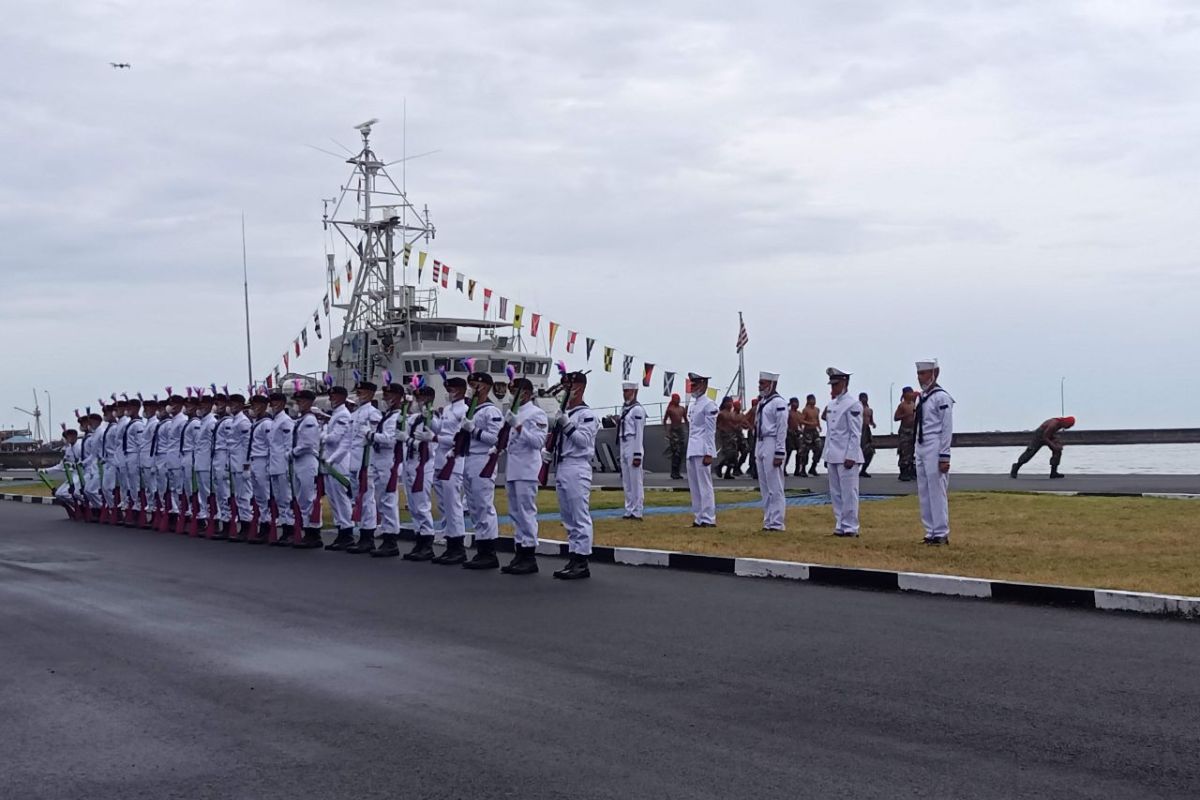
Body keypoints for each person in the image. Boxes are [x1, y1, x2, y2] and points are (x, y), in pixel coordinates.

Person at [550, 371, 598, 579]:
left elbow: (582, 441)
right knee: (567, 516)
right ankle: (573, 555)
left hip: (577, 466)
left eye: (568, 386)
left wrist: (566, 424)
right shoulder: (568, 413)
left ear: (579, 387)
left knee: (579, 515)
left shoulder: (587, 415)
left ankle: (582, 560)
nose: (564, 391)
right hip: (562, 465)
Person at [502, 377, 547, 575]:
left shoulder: (537, 413)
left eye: (516, 393)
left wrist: (519, 426)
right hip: (514, 468)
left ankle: (529, 554)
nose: (513, 396)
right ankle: (519, 551)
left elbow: (537, 442)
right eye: (512, 393)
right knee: (515, 512)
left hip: (527, 469)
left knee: (526, 512)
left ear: (527, 394)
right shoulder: (515, 412)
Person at [461, 371, 504, 570]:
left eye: (474, 385)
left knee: (484, 505)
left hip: (483, 459)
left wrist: (474, 430)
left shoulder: (491, 412)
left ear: (484, 387)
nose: (470, 388)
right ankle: (481, 547)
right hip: (469, 458)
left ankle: (489, 551)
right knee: (474, 507)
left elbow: (496, 439)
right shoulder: (472, 410)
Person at [914, 359, 954, 545]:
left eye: (923, 373)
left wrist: (944, 455)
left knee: (937, 490)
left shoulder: (941, 397)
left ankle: (941, 531)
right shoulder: (921, 397)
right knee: (924, 490)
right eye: (919, 374)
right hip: (921, 445)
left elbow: (946, 428)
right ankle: (930, 530)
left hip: (935, 444)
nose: (920, 377)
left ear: (934, 373)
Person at [431, 377, 468, 564]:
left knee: (453, 505)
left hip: (454, 461)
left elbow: (457, 439)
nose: (449, 391)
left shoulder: (464, 410)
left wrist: (435, 438)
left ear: (461, 390)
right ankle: (449, 542)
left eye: (451, 388)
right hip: (440, 460)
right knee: (444, 505)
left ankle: (457, 546)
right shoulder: (447, 409)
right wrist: (430, 419)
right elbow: (441, 429)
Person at [367, 384, 406, 557]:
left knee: (388, 501)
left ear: (398, 397)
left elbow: (390, 440)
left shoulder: (398, 417)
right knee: (382, 500)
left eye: (388, 395)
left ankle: (391, 539)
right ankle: (387, 534)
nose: (384, 399)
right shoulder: (388, 416)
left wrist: (370, 435)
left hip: (389, 461)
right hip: (379, 460)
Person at [823, 368, 864, 537]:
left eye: (836, 384)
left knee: (849, 493)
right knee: (836, 493)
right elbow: (830, 432)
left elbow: (855, 433)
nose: (833, 388)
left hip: (846, 455)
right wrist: (826, 454)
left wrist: (851, 455)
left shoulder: (853, 404)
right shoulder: (832, 405)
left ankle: (851, 526)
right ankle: (840, 524)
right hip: (833, 454)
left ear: (845, 383)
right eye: (832, 385)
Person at [401, 385, 439, 561]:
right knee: (413, 504)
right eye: (418, 398)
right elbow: (403, 430)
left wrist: (409, 440)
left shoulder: (434, 418)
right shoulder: (414, 418)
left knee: (422, 504)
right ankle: (418, 538)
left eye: (422, 398)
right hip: (410, 462)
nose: (419, 401)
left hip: (424, 463)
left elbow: (431, 445)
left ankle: (427, 542)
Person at [347, 381, 382, 553]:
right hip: (354, 462)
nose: (358, 395)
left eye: (361, 392)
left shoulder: (373, 413)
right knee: (357, 500)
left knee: (367, 499)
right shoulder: (356, 413)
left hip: (366, 462)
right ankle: (362, 532)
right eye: (358, 392)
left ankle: (368, 535)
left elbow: (375, 439)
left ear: (370, 394)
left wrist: (369, 433)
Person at [322, 386, 357, 550]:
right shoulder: (336, 414)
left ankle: (347, 531)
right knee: (333, 499)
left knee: (341, 500)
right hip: (330, 463)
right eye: (331, 396)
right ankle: (341, 530)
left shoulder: (343, 414)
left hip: (339, 463)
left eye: (335, 396)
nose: (331, 399)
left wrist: (321, 435)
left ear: (343, 397)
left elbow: (336, 439)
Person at [291, 389, 325, 548]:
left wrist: (292, 452)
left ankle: (314, 532)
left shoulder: (309, 420)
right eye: (298, 402)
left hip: (307, 459)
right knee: (302, 498)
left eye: (301, 401)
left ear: (310, 402)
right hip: (299, 461)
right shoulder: (302, 420)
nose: (298, 404)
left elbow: (307, 444)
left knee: (309, 497)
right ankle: (307, 529)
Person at [754, 372, 788, 531]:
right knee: (765, 486)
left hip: (772, 441)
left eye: (763, 383)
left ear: (772, 384)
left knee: (775, 485)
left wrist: (779, 451)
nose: (760, 386)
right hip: (760, 442)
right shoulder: (763, 402)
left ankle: (777, 522)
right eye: (760, 383)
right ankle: (768, 520)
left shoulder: (779, 403)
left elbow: (782, 428)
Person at [685, 373, 718, 527]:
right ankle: (698, 517)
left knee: (705, 485)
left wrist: (709, 452)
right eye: (692, 384)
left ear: (704, 384)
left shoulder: (709, 405)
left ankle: (708, 518)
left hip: (702, 449)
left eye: (696, 384)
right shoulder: (693, 405)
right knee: (695, 486)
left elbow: (710, 431)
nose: (693, 387)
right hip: (692, 449)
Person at [265, 391, 297, 546]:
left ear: (283, 404)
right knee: (279, 499)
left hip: (283, 465)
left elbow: (289, 444)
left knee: (286, 498)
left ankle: (290, 530)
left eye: (276, 402)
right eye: (272, 403)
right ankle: (285, 528)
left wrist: (286, 462)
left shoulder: (286, 421)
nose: (273, 405)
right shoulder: (274, 421)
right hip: (274, 465)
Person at [243, 394, 273, 544]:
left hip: (263, 461)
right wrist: (246, 467)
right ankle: (263, 523)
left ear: (263, 405)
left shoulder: (267, 423)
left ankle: (268, 526)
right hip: (254, 461)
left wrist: (268, 465)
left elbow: (270, 446)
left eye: (255, 405)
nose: (253, 408)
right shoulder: (256, 423)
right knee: (259, 496)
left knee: (265, 494)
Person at [1011, 416, 1076, 479]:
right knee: (1030, 452)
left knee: (1058, 451)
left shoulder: (1061, 424)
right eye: (1069, 426)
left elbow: (1050, 435)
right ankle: (1016, 467)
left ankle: (1053, 472)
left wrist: (1057, 444)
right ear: (1066, 422)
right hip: (1040, 435)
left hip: (1049, 434)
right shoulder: (1053, 424)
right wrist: (1053, 446)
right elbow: (1045, 437)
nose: (1068, 427)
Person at [617, 382, 646, 518]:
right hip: (624, 443)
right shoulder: (625, 409)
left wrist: (637, 454)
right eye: (624, 391)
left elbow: (639, 433)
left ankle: (637, 510)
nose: (625, 394)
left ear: (634, 392)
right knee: (627, 480)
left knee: (635, 480)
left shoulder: (637, 410)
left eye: (628, 391)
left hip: (633, 442)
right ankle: (629, 508)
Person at [193, 394, 217, 535]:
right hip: (200, 462)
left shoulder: (211, 422)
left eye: (202, 405)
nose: (200, 408)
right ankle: (205, 517)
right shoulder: (203, 422)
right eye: (199, 406)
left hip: (207, 463)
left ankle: (211, 520)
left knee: (208, 493)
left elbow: (212, 445)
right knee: (202, 493)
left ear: (209, 406)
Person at [120, 399, 145, 524]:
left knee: (135, 483)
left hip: (135, 455)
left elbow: (141, 444)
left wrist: (140, 461)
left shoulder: (138, 424)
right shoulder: (130, 423)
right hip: (128, 455)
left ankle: (137, 509)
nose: (127, 410)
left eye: (129, 407)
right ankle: (134, 507)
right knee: (130, 484)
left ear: (136, 408)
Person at [139, 399, 162, 527]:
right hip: (144, 460)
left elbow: (155, 444)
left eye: (148, 408)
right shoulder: (148, 423)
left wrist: (153, 463)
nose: (145, 410)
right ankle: (152, 512)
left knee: (153, 489)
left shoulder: (154, 424)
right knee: (149, 489)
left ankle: (156, 514)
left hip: (150, 460)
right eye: (145, 408)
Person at [894, 387, 918, 481]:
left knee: (912, 452)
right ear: (905, 394)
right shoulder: (902, 405)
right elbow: (896, 417)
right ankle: (903, 472)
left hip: (913, 431)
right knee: (904, 451)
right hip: (904, 431)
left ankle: (911, 471)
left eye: (912, 393)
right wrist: (905, 415)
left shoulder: (914, 404)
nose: (911, 394)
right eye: (909, 393)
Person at [797, 394, 823, 477]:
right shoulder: (805, 410)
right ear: (808, 400)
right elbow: (801, 420)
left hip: (815, 431)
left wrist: (818, 426)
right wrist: (810, 423)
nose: (814, 401)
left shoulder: (817, 409)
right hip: (807, 431)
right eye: (812, 399)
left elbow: (817, 419)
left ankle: (813, 467)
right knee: (805, 450)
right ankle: (803, 469)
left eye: (814, 399)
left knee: (819, 448)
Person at [715, 397, 741, 480]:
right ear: (725, 403)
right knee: (728, 454)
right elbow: (717, 425)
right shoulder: (721, 413)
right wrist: (722, 430)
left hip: (733, 436)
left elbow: (733, 424)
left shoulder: (732, 414)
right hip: (725, 436)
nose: (730, 404)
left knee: (734, 455)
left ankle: (728, 472)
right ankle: (719, 466)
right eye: (729, 402)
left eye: (731, 402)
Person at [662, 394, 686, 480]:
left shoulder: (682, 409)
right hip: (673, 432)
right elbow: (664, 420)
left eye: (679, 398)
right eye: (676, 399)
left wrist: (689, 430)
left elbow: (686, 420)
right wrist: (667, 432)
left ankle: (677, 472)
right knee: (675, 452)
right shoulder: (670, 409)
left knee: (681, 453)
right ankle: (673, 472)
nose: (678, 400)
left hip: (681, 431)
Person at [858, 392, 876, 478]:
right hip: (859, 430)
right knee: (859, 449)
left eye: (866, 398)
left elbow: (871, 420)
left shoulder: (869, 410)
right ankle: (854, 470)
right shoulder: (857, 409)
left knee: (870, 451)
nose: (865, 400)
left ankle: (863, 470)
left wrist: (873, 424)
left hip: (867, 430)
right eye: (863, 398)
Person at [785, 398, 803, 477]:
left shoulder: (799, 413)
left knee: (800, 452)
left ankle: (797, 470)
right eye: (795, 403)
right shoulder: (788, 413)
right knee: (788, 451)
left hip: (797, 434)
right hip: (789, 434)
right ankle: (783, 468)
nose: (797, 404)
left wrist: (801, 430)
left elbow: (801, 423)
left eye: (798, 402)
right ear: (792, 404)